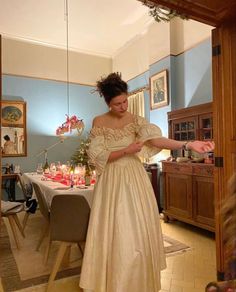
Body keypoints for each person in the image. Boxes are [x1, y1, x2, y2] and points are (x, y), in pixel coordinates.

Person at [79, 72, 215, 292]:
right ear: (108, 103)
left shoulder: (136, 121)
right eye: (117, 104)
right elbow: (98, 157)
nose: (123, 107)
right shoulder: (99, 121)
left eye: (125, 101)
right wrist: (126, 150)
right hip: (111, 181)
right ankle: (110, 282)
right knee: (113, 229)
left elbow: (156, 140)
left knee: (136, 230)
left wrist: (188, 144)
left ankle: (136, 282)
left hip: (134, 179)